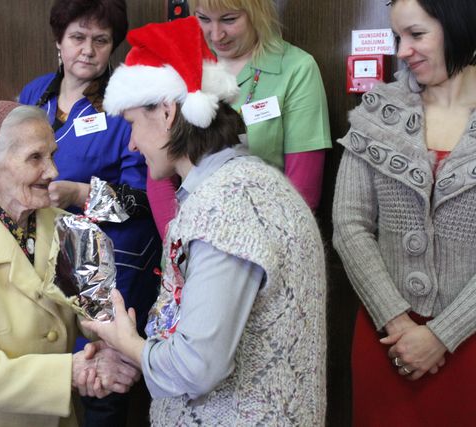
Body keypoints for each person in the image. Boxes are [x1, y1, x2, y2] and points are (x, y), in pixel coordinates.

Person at [83, 16, 327, 426]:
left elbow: (196, 368)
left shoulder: (225, 208)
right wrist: (135, 350)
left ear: (165, 112)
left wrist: (128, 343)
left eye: (131, 124)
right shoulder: (247, 184)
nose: (131, 143)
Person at [0, 101, 141, 427]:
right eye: (35, 158)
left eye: (52, 154)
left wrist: (115, 349)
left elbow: (97, 312)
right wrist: (74, 371)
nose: (53, 171)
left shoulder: (74, 230)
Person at [332, 0, 476, 424]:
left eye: (417, 34)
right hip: (387, 339)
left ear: (458, 26)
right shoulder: (379, 110)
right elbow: (349, 224)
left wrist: (442, 335)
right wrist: (397, 322)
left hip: (469, 340)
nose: (402, 51)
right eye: (398, 38)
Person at [18, 0, 160, 424]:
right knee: (48, 366)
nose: (88, 49)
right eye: (77, 38)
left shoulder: (126, 103)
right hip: (40, 249)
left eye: (101, 40)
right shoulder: (34, 93)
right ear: (59, 42)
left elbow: (142, 199)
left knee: (99, 382)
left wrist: (80, 193)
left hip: (104, 259)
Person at [146, 0, 332, 238]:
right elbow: (159, 174)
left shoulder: (297, 69)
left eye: (229, 19)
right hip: (190, 241)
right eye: (203, 19)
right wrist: (179, 249)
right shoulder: (181, 65)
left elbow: (302, 189)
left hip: (266, 243)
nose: (216, 34)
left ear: (258, 12)